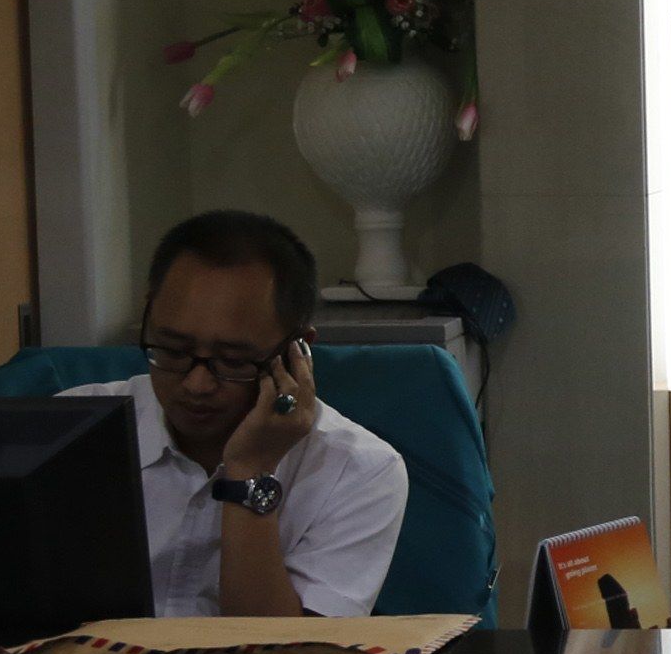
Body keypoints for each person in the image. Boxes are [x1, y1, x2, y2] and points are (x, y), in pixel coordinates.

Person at [61, 210, 410, 618]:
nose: (196, 384)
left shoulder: (358, 471)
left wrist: (250, 471)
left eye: (234, 361)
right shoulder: (70, 431)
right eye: (172, 351)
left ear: (297, 350)